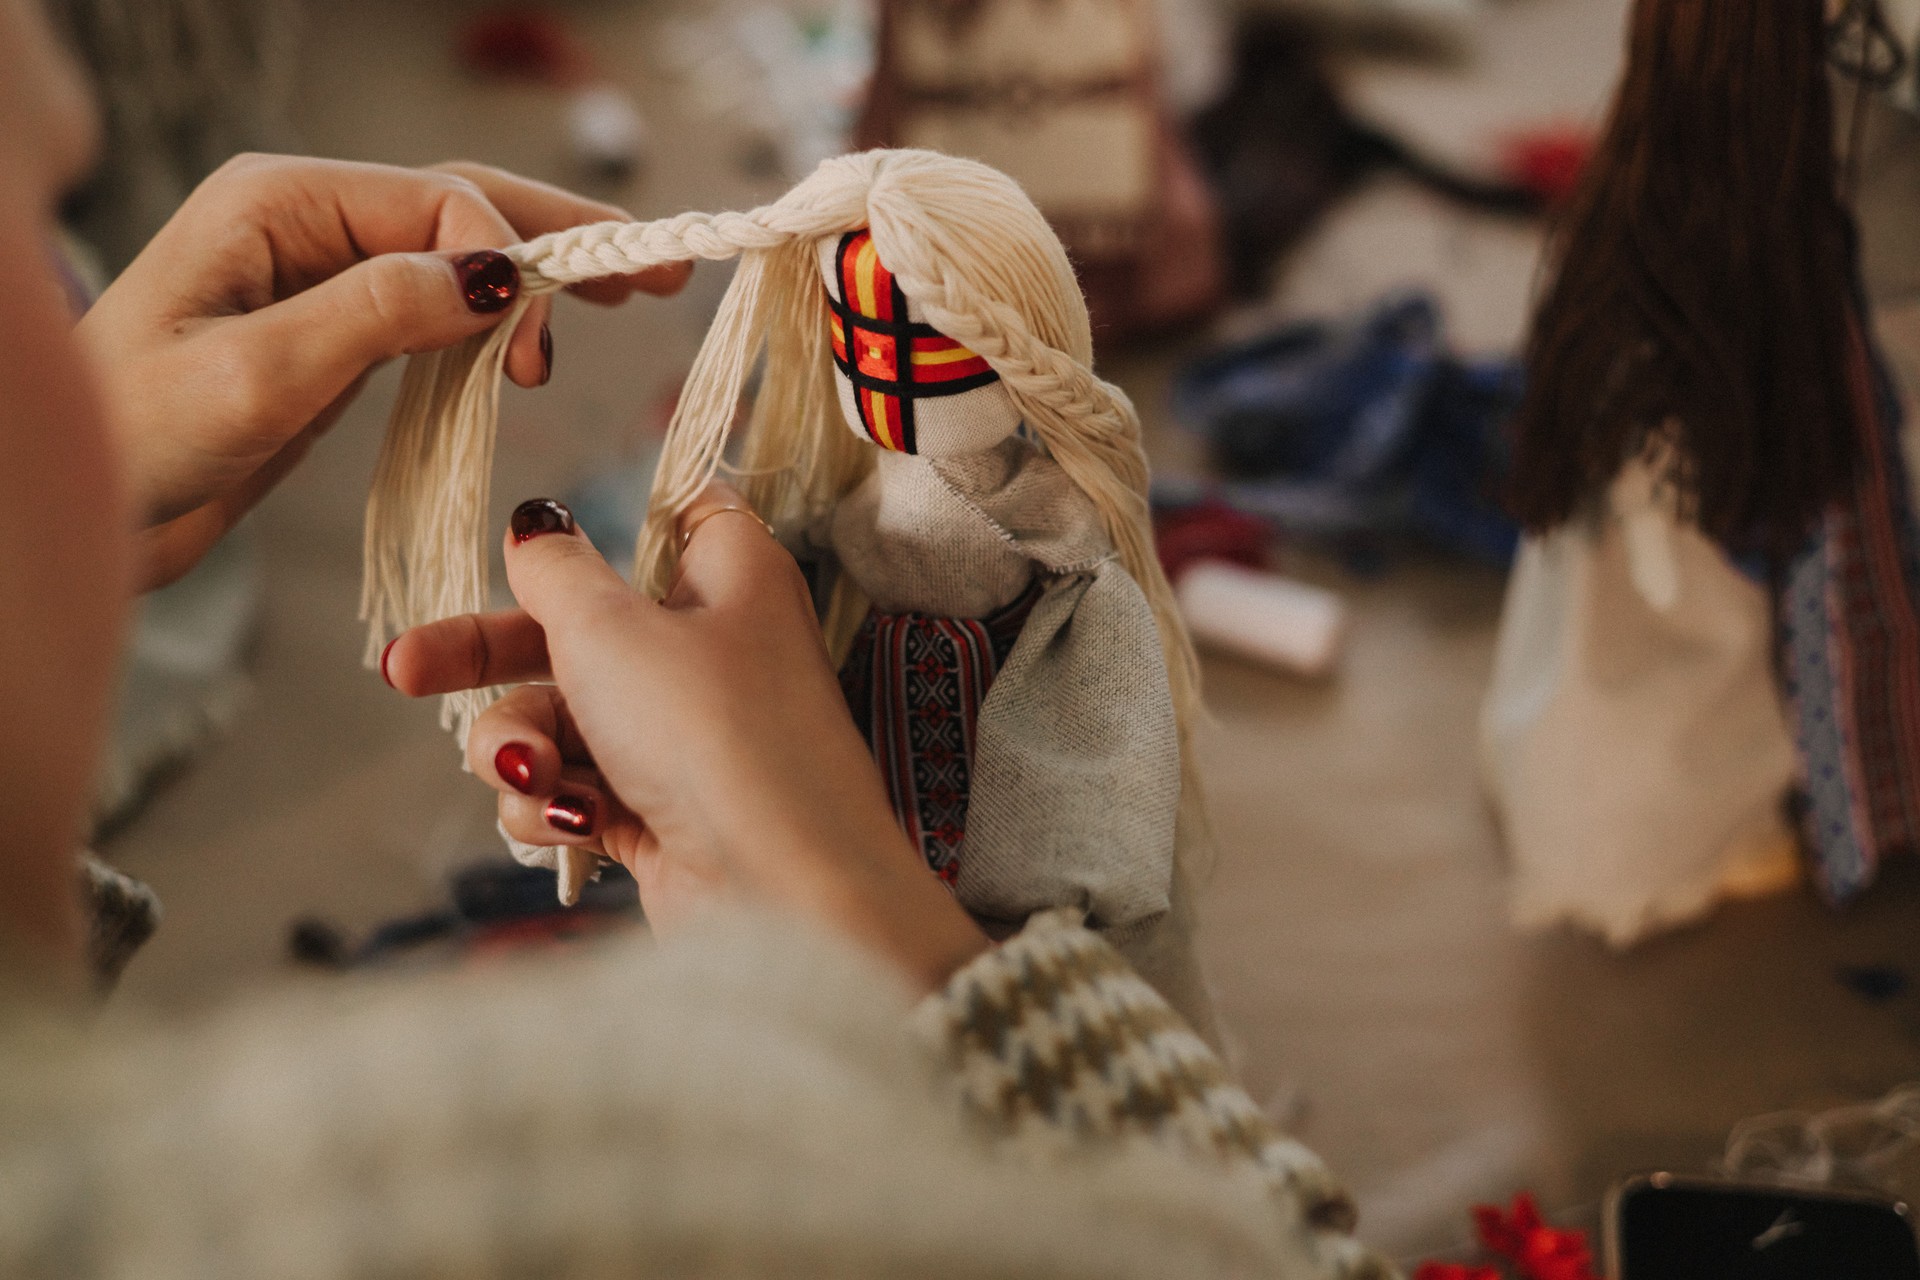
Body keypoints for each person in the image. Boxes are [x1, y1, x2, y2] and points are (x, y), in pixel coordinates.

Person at [0, 0, 1383, 1274]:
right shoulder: (633, 1163)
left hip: (1011, 953)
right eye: (45, 230)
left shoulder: (1068, 582)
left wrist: (811, 856)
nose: (95, 330)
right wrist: (854, 890)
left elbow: (1097, 837)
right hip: (972, 1028)